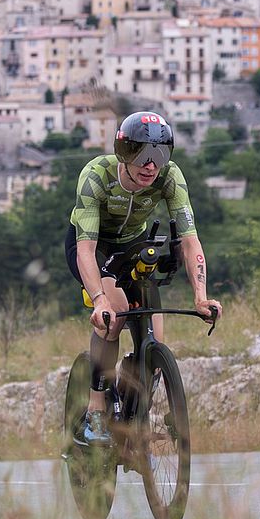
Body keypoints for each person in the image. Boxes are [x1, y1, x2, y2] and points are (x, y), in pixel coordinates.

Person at [65, 111, 223, 446]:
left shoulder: (170, 177)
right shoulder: (97, 175)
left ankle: (132, 409)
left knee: (156, 343)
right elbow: (85, 249)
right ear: (123, 152)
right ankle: (95, 410)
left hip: (135, 244)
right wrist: (100, 299)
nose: (151, 165)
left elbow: (191, 239)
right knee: (113, 319)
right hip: (95, 246)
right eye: (142, 155)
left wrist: (201, 296)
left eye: (161, 155)